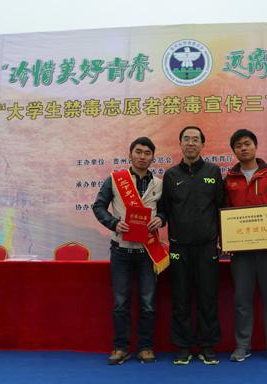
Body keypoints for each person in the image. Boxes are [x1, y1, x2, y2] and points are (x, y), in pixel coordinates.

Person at [92, 137, 164, 365]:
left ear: (153, 157)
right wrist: (114, 223)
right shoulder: (116, 180)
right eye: (138, 152)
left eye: (147, 153)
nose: (142, 156)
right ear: (130, 154)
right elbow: (98, 206)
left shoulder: (160, 183)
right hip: (121, 250)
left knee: (148, 303)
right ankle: (121, 347)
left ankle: (145, 347)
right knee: (120, 303)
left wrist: (161, 219)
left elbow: (167, 210)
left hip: (147, 252)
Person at [159, 126, 225, 365]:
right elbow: (164, 210)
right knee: (181, 298)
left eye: (195, 139)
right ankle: (183, 346)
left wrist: (224, 240)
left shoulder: (213, 172)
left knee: (208, 297)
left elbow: (221, 208)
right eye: (186, 139)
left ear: (202, 145)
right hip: (179, 248)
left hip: (207, 247)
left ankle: (207, 346)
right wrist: (158, 219)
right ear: (180, 144)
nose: (190, 143)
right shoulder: (171, 175)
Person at [224, 129, 267, 362]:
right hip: (240, 251)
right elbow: (223, 211)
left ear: (255, 146)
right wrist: (226, 240)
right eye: (238, 145)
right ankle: (242, 346)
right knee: (242, 300)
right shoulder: (229, 179)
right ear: (234, 151)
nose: (243, 148)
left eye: (247, 143)